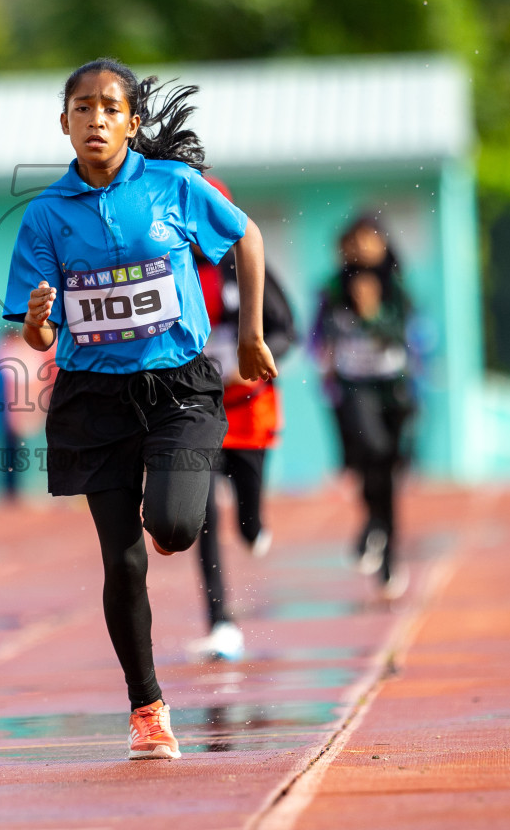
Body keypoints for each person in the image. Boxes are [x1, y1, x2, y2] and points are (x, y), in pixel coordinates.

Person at [5, 58, 278, 761]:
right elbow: (35, 334)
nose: (95, 119)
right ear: (63, 122)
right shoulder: (45, 217)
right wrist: (39, 320)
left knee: (177, 526)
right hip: (94, 398)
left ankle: (169, 516)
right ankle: (147, 708)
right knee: (121, 562)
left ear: (131, 121)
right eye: (82, 108)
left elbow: (246, 237)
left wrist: (248, 334)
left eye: (109, 107)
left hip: (179, 389)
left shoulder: (173, 187)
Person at [186, 176, 296, 663]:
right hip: (194, 409)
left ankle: (253, 524)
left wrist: (255, 368)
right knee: (202, 513)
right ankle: (221, 621)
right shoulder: (169, 270)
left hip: (248, 408)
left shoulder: (246, 263)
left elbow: (287, 329)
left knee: (247, 515)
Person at [310, 216, 415, 601]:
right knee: (368, 453)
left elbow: (412, 338)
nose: (363, 248)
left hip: (393, 391)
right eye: (355, 241)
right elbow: (316, 338)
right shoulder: (333, 287)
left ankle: (387, 550)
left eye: (371, 240)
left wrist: (373, 317)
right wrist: (327, 366)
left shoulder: (396, 288)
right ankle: (372, 527)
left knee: (387, 470)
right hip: (353, 389)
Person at [0, 325, 57, 502]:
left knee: (23, 450)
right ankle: (11, 490)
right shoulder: (9, 354)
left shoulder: (18, 354)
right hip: (12, 412)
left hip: (21, 411)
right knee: (13, 451)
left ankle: (22, 489)